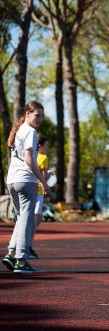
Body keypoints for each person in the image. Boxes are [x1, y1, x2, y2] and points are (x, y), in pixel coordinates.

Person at [2, 101, 51, 273]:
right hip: (25, 180)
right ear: (27, 114)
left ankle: (11, 253)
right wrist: (43, 181)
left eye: (42, 115)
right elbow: (30, 159)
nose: (40, 118)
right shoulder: (31, 132)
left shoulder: (20, 130)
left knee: (20, 218)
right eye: (37, 115)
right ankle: (21, 261)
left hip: (12, 180)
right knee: (26, 220)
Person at [30, 134, 53, 259]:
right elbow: (44, 178)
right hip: (39, 190)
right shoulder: (43, 158)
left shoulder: (31, 156)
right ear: (40, 146)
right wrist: (49, 173)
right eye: (46, 145)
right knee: (35, 220)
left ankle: (26, 244)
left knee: (34, 218)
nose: (48, 147)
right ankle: (28, 245)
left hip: (31, 189)